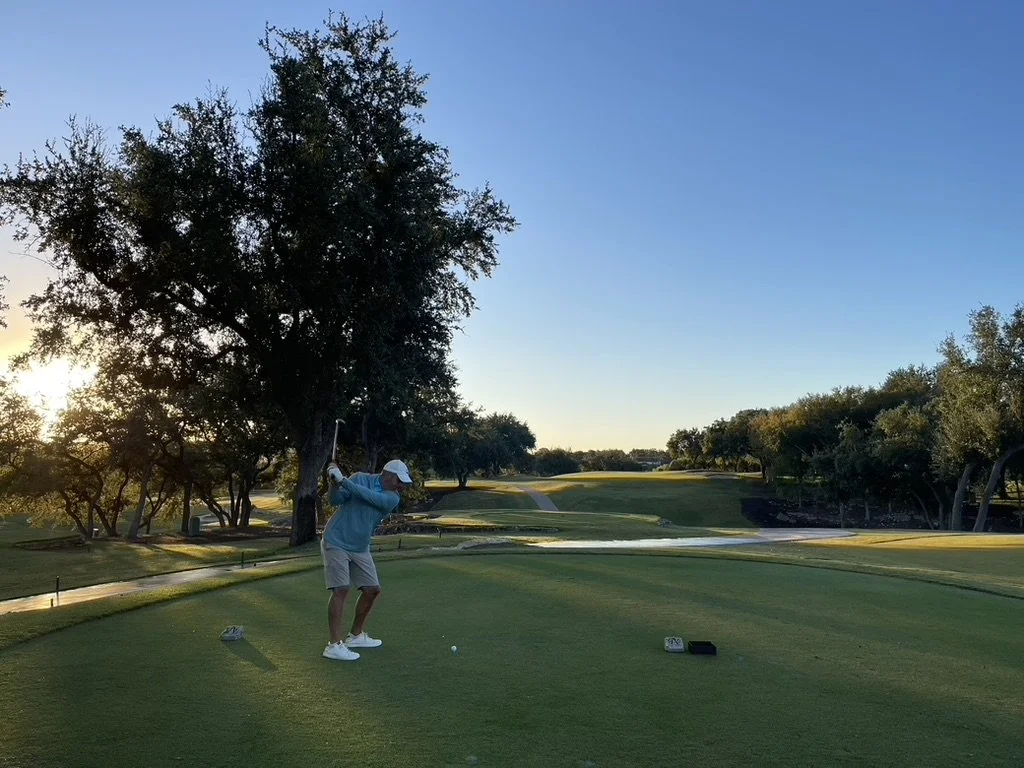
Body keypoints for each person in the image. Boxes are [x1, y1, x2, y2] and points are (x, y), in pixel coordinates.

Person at [320, 458, 413, 661]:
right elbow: (335, 500)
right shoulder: (360, 478)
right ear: (387, 475)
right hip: (336, 539)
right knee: (341, 589)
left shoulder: (392, 498)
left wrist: (343, 481)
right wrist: (333, 483)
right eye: (399, 481)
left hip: (360, 547)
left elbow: (371, 498)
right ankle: (334, 645)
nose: (402, 486)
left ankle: (355, 636)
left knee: (372, 590)